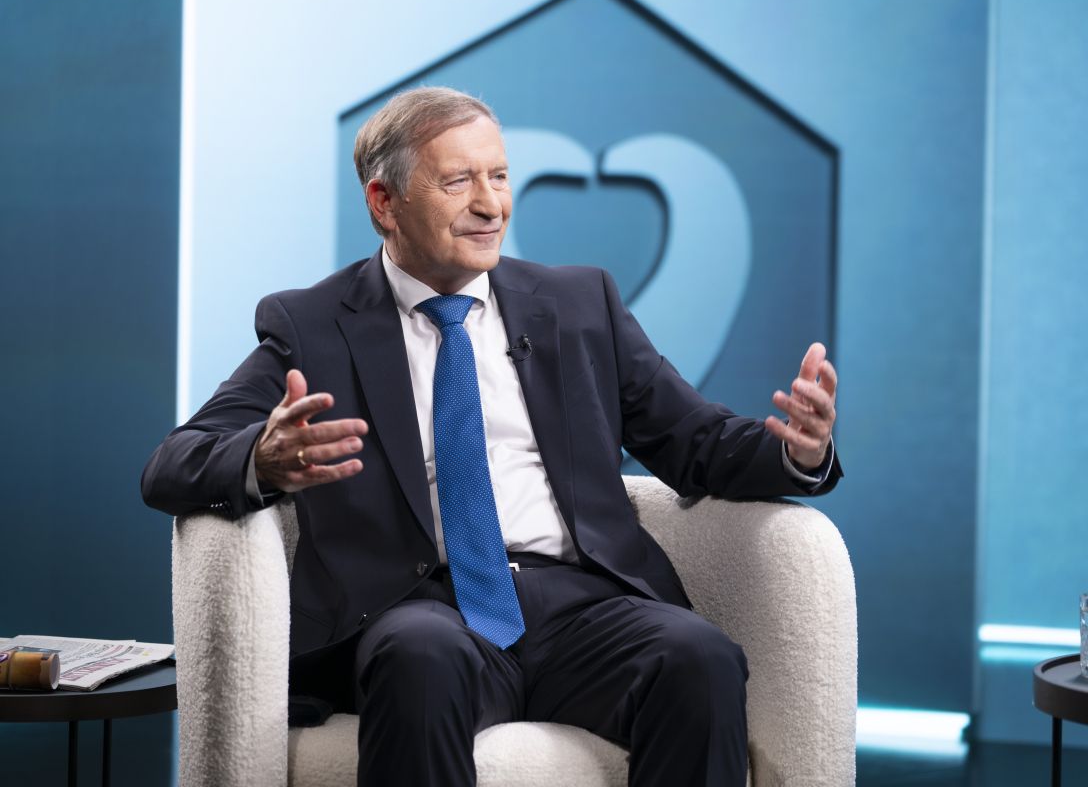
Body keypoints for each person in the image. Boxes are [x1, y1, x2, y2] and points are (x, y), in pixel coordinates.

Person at [142, 86, 842, 787]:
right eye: (458, 182)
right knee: (417, 658)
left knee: (699, 657)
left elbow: (696, 440)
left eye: (500, 176)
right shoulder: (314, 325)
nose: (491, 204)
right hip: (421, 609)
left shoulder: (579, 304)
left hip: (579, 605)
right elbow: (174, 462)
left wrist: (795, 452)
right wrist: (262, 460)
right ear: (384, 202)